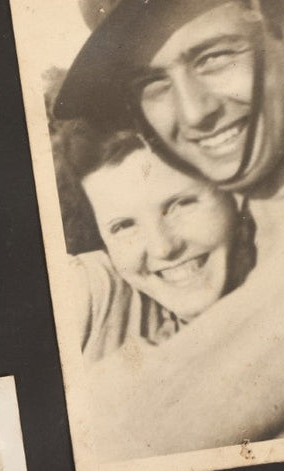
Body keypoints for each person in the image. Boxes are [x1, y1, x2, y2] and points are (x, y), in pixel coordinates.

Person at [52, 0, 284, 459]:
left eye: (214, 58)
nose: (194, 113)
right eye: (153, 84)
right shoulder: (251, 228)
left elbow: (124, 430)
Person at [57, 123, 252, 364]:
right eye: (124, 226)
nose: (163, 248)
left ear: (236, 195)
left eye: (180, 204)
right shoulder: (93, 288)